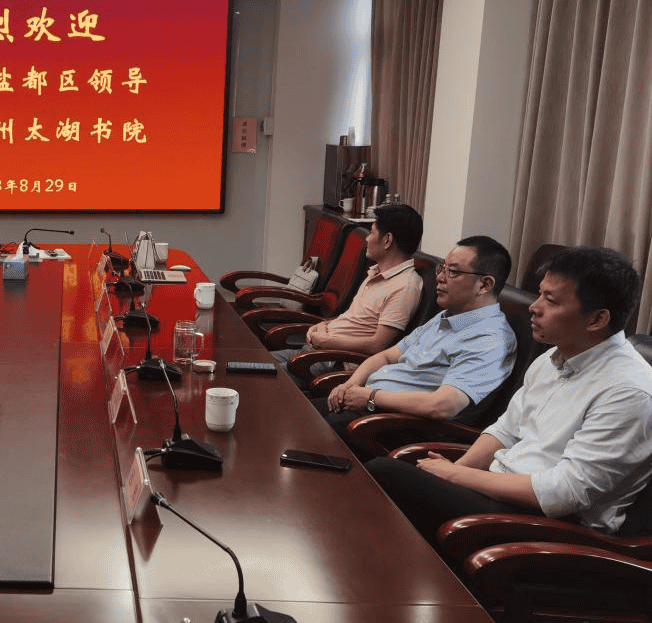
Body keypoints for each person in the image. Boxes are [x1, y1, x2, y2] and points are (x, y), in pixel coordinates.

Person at [367, 246, 652, 539]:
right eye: (539, 294)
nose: (534, 307)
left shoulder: (629, 391)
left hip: (550, 528)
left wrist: (456, 475)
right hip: (501, 490)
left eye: (551, 300)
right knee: (393, 478)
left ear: (597, 320)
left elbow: (565, 492)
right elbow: (505, 429)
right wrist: (453, 472)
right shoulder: (554, 356)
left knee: (384, 474)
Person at [322, 235, 517, 441]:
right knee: (305, 413)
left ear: (485, 285)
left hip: (395, 423)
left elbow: (442, 406)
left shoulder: (491, 339)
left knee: (311, 432)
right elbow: (387, 356)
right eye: (442, 268)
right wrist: (350, 385)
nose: (440, 277)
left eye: (453, 272)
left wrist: (371, 397)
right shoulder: (448, 316)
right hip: (369, 403)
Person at [272, 204, 424, 376]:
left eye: (372, 233)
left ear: (387, 240)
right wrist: (324, 325)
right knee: (256, 363)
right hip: (319, 350)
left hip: (334, 362)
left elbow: (377, 346)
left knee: (263, 376)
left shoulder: (405, 286)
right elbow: (353, 319)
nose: (367, 239)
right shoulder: (376, 271)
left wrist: (327, 342)